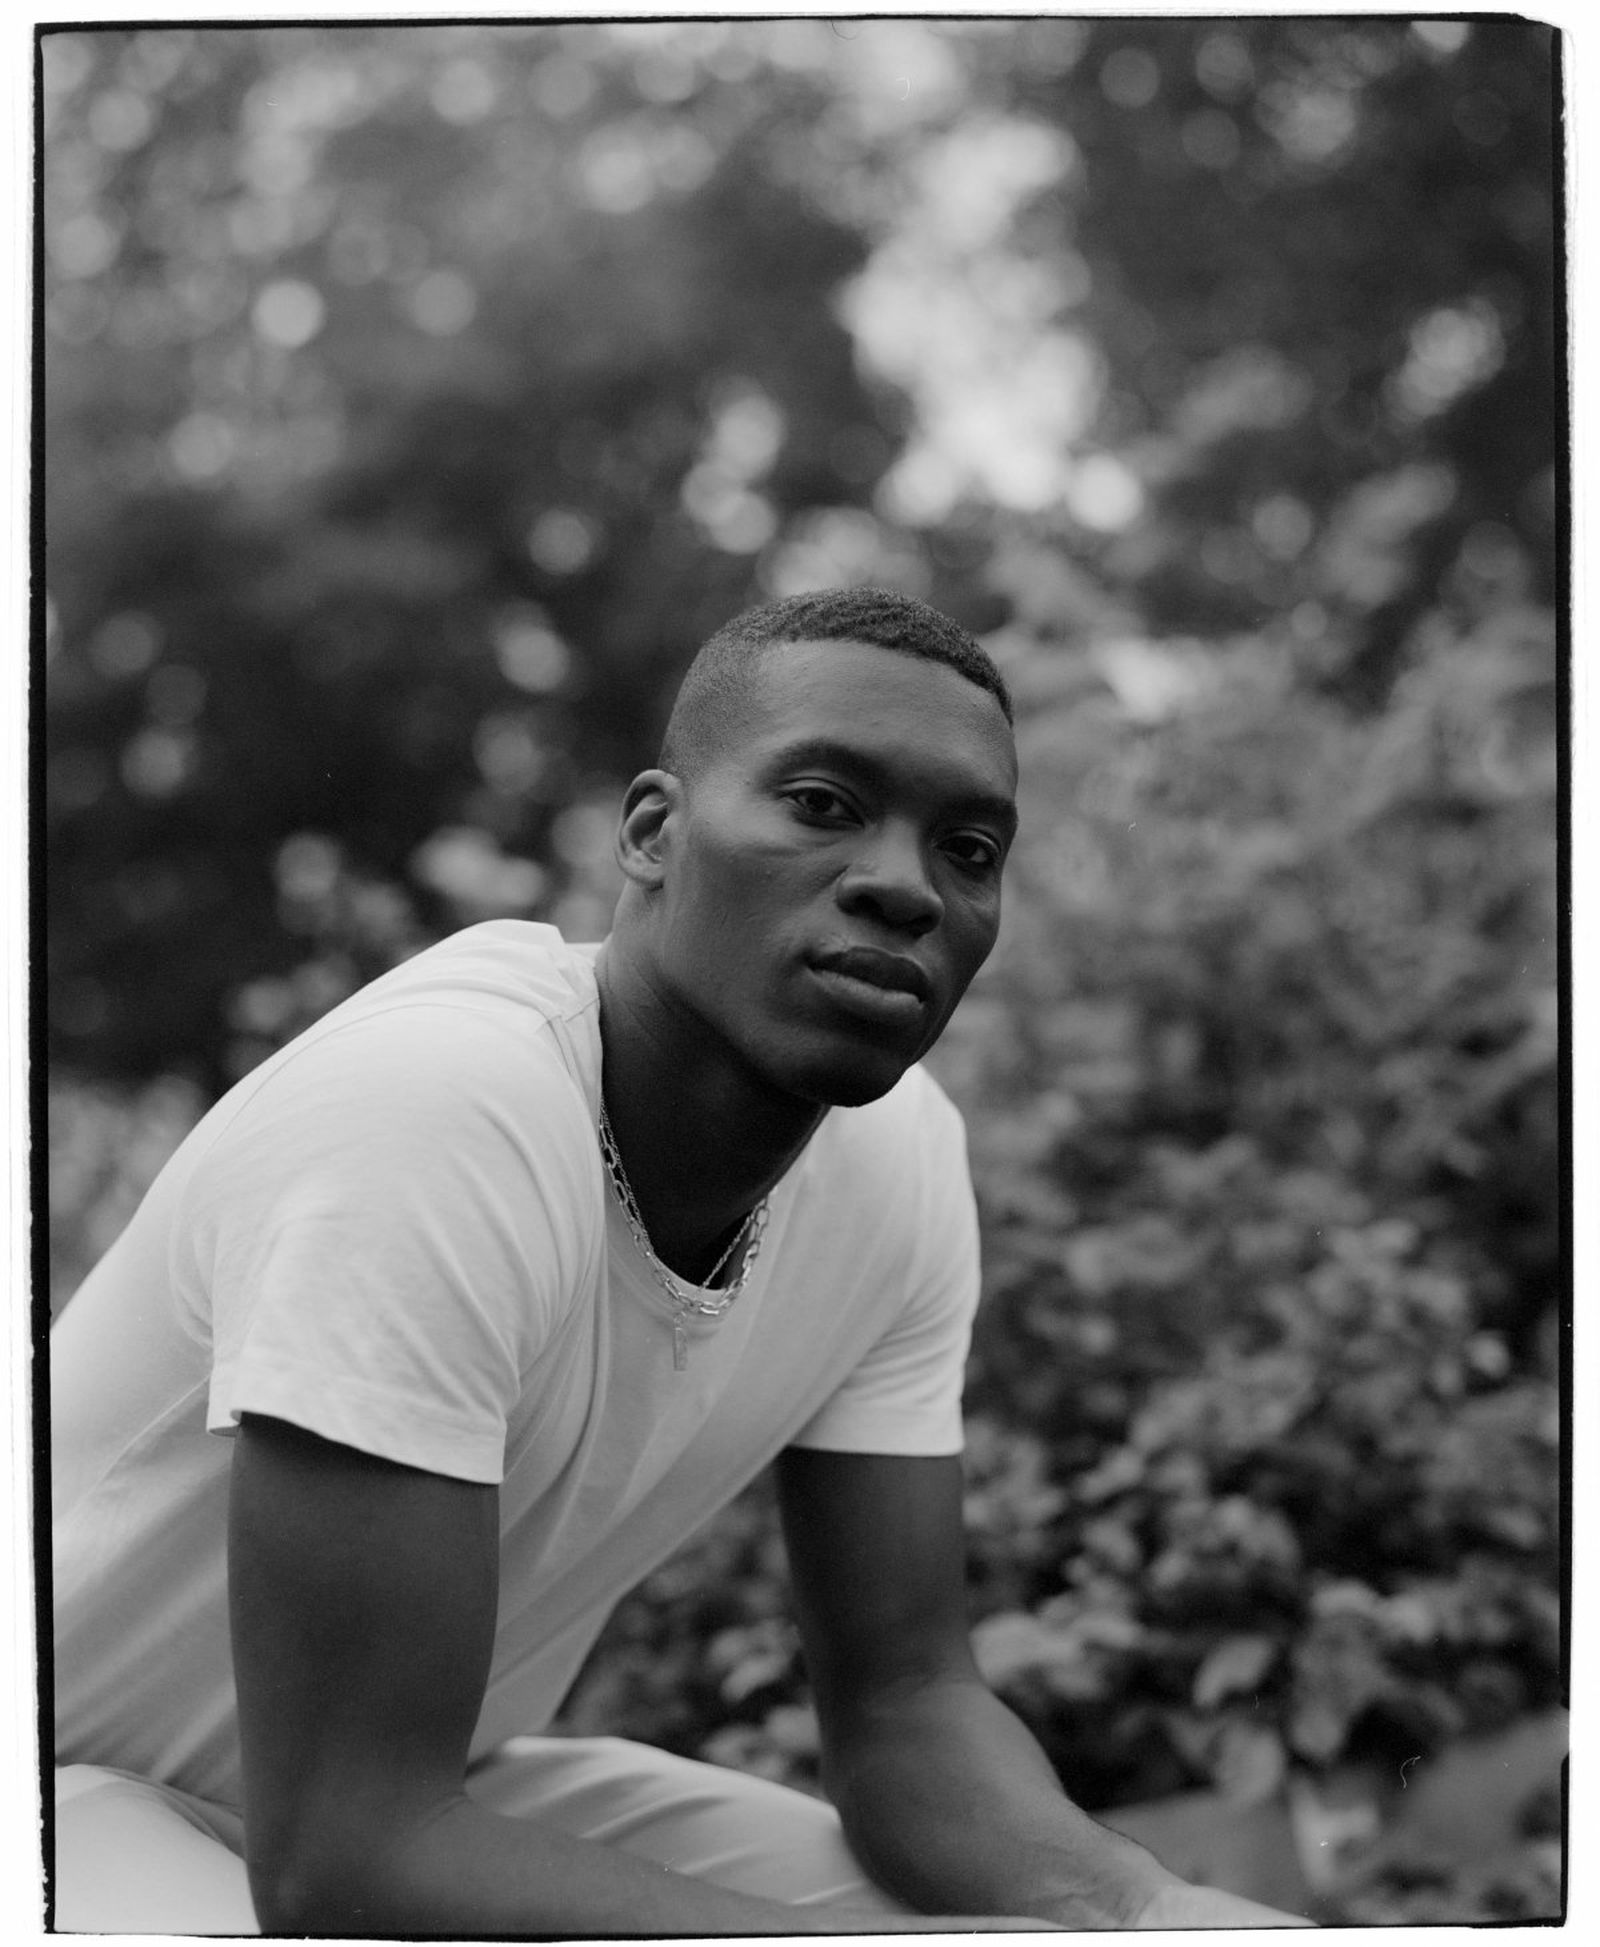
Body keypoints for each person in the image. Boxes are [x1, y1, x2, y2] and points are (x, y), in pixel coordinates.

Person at [51, 587, 1311, 1934]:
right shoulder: (439, 1114)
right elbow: (346, 1860)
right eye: (823, 804)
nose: (904, 886)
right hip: (68, 1800)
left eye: (968, 848)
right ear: (654, 832)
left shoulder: (896, 1172)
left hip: (423, 1793)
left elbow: (907, 1706)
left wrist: (1146, 1908)